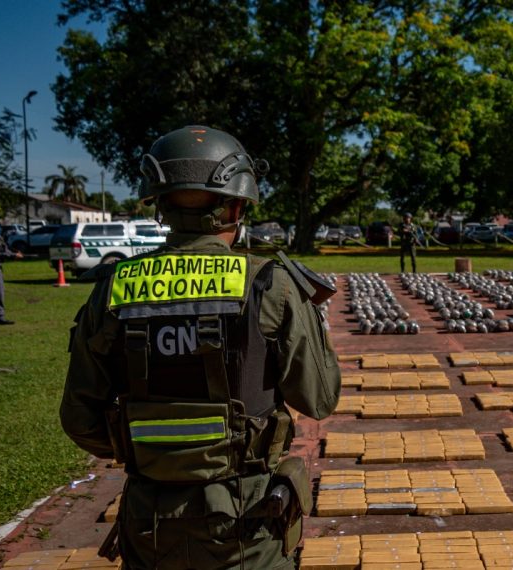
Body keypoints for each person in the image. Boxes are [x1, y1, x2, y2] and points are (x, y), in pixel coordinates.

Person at [59, 125, 341, 568]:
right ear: (237, 205)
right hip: (247, 524)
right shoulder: (271, 284)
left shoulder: (115, 286)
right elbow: (319, 399)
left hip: (149, 520)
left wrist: (157, 455)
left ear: (160, 204)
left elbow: (80, 419)